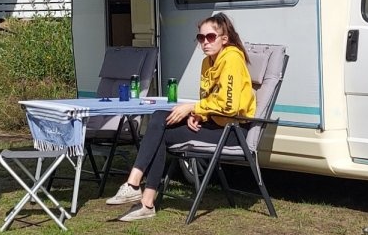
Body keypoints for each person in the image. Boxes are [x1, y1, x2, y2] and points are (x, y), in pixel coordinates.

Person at [106, 12, 256, 221]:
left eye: (210, 37)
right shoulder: (207, 63)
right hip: (215, 125)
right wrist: (199, 115)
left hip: (233, 132)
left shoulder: (231, 58)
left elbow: (229, 106)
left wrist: (192, 108)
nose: (205, 42)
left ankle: (137, 189)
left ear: (225, 38)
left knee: (159, 126)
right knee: (159, 120)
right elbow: (211, 100)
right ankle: (143, 199)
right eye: (200, 37)